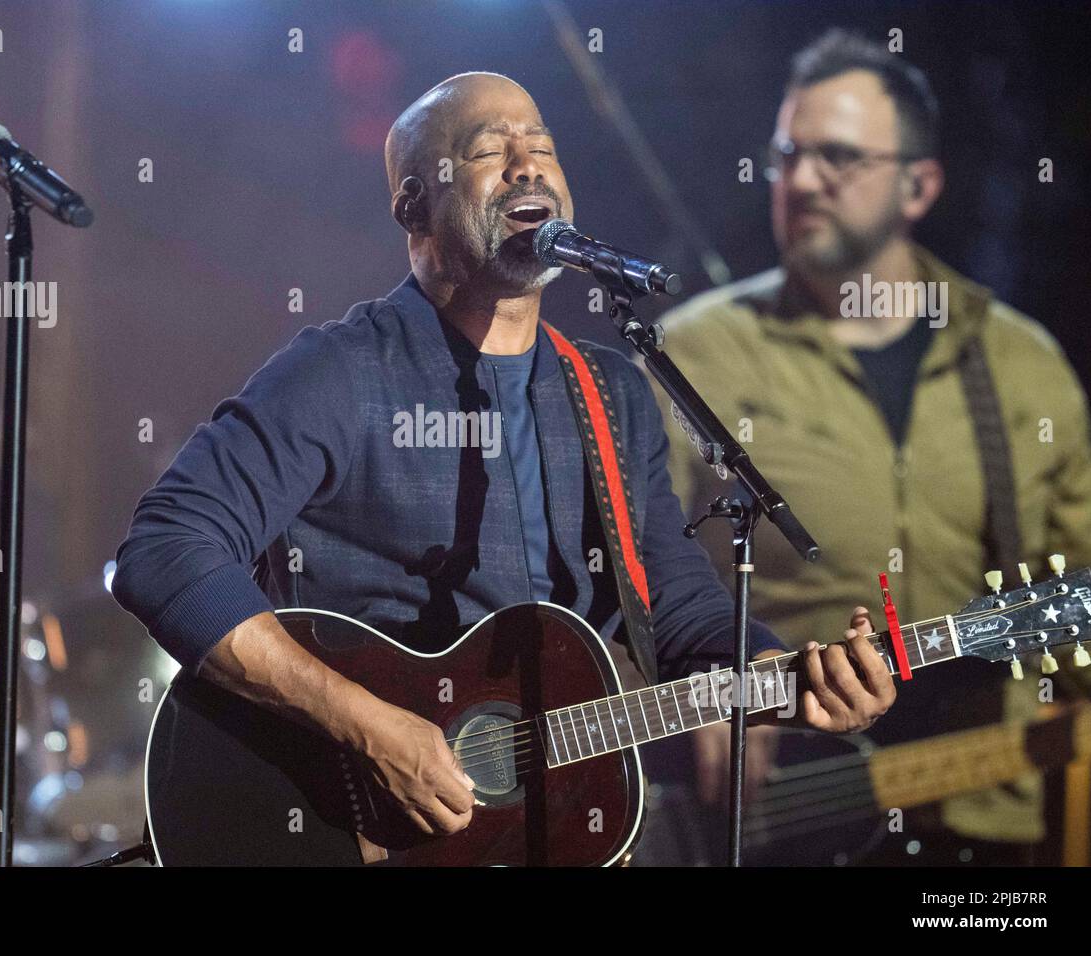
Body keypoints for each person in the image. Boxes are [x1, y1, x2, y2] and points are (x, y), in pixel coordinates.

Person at [112, 71, 894, 843]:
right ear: (412, 203)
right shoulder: (341, 374)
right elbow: (164, 551)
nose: (528, 165)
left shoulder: (612, 393)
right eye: (490, 150)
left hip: (546, 830)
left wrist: (789, 680)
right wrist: (367, 728)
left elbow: (680, 614)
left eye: (543, 146)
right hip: (340, 820)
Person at [648, 31, 1091, 863]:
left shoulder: (1021, 365)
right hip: (759, 826)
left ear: (920, 184)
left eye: (839, 157)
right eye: (788, 155)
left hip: (978, 823)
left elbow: (1085, 620)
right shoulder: (689, 357)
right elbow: (605, 579)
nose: (804, 179)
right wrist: (695, 688)